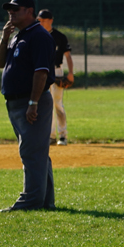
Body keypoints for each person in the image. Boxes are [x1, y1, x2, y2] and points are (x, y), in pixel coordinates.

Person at [0, 0, 56, 211]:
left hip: (30, 102)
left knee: (31, 152)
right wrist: (4, 38)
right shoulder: (18, 35)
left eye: (15, 9)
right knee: (37, 152)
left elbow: (41, 73)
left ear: (29, 11)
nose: (10, 12)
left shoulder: (38, 35)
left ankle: (30, 201)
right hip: (16, 102)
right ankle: (46, 201)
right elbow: (1, 62)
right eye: (9, 9)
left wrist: (33, 102)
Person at [38, 9, 75, 145]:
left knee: (57, 104)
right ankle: (51, 136)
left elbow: (68, 56)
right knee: (45, 105)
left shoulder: (59, 36)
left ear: (51, 21)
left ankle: (63, 136)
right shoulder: (37, 35)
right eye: (39, 20)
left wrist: (70, 73)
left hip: (56, 71)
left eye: (43, 20)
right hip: (41, 73)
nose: (40, 22)